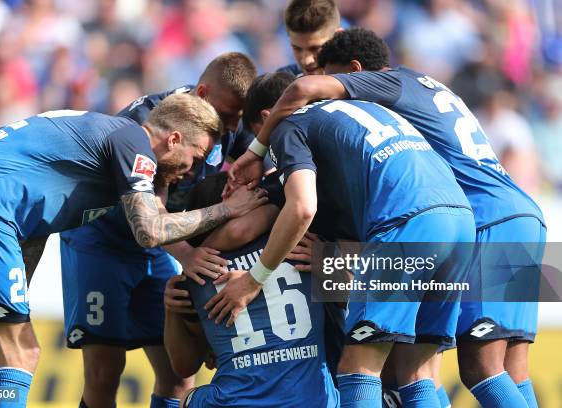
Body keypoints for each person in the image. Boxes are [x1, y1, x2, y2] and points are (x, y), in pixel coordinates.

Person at [230, 28, 546, 408]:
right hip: (512, 213)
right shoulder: (416, 94)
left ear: (356, 71)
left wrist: (256, 149)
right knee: (468, 368)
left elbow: (302, 96)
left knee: (470, 367)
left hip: (481, 220)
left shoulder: (383, 90)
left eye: (334, 76)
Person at [0, 93, 267, 408]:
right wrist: (226, 210)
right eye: (196, 158)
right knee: (20, 354)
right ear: (173, 139)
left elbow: (35, 224)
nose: (191, 172)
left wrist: (19, 287)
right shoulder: (133, 141)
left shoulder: (108, 138)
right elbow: (149, 230)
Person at [210, 72, 475, 407]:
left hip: (408, 222)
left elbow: (303, 207)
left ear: (267, 118)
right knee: (418, 371)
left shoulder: (288, 127)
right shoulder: (362, 111)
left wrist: (253, 279)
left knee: (358, 367)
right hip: (461, 220)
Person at [59, 52, 258, 408]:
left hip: (159, 247)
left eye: (238, 117)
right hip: (102, 241)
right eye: (227, 115)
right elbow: (148, 216)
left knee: (179, 373)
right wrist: (188, 254)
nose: (231, 126)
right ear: (202, 92)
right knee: (105, 369)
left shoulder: (233, 122)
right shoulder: (143, 122)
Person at [164, 171, 339, 408]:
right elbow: (385, 289)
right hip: (316, 399)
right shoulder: (303, 247)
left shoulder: (197, 274)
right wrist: (334, 263)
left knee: (186, 399)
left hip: (234, 401)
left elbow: (184, 366)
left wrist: (171, 309)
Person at [277, 0, 343, 77]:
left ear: (338, 37)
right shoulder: (282, 82)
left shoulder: (359, 79)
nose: (306, 61)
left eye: (315, 48)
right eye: (297, 48)